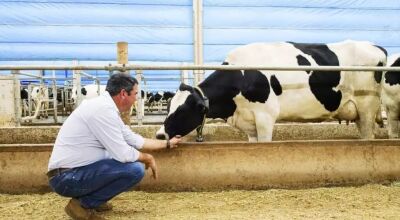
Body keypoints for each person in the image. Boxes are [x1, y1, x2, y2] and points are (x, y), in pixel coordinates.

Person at [47, 72, 181, 220]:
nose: (136, 98)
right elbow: (123, 154)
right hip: (66, 178)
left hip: (73, 173)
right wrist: (147, 157)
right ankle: (83, 205)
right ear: (124, 93)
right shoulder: (102, 110)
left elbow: (134, 139)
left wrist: (167, 143)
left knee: (124, 163)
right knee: (134, 169)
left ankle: (93, 201)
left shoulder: (105, 108)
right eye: (135, 94)